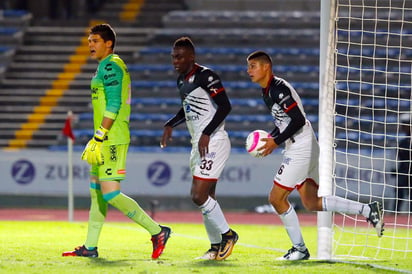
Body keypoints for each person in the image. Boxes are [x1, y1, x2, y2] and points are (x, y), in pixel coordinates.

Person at [246, 50, 384, 261]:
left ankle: (300, 249)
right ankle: (367, 209)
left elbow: (298, 120)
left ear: (266, 67)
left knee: (276, 198)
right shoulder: (266, 91)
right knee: (311, 202)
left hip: (301, 146)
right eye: (248, 67)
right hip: (302, 144)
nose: (249, 71)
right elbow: (284, 122)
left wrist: (275, 141)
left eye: (253, 66)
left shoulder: (278, 89)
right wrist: (272, 139)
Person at [62, 23, 171, 259]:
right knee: (97, 193)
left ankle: (157, 231)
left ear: (108, 43)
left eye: (95, 41)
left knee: (110, 193)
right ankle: (90, 247)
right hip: (103, 138)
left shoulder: (111, 66)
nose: (90, 45)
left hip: (111, 138)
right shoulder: (105, 66)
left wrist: (100, 135)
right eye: (89, 41)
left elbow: (114, 104)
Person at [161, 36, 238, 261]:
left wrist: (206, 133)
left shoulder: (206, 76)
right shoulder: (181, 80)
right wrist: (170, 123)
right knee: (207, 197)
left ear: (191, 57)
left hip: (213, 140)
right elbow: (187, 109)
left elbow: (225, 106)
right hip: (198, 143)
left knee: (198, 195)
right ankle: (215, 247)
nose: (175, 60)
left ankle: (228, 235)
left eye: (180, 56)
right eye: (173, 56)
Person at [394, 113, 412, 212]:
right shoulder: (403, 142)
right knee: (399, 195)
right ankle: (395, 214)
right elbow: (399, 157)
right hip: (403, 171)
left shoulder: (404, 142)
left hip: (408, 171)